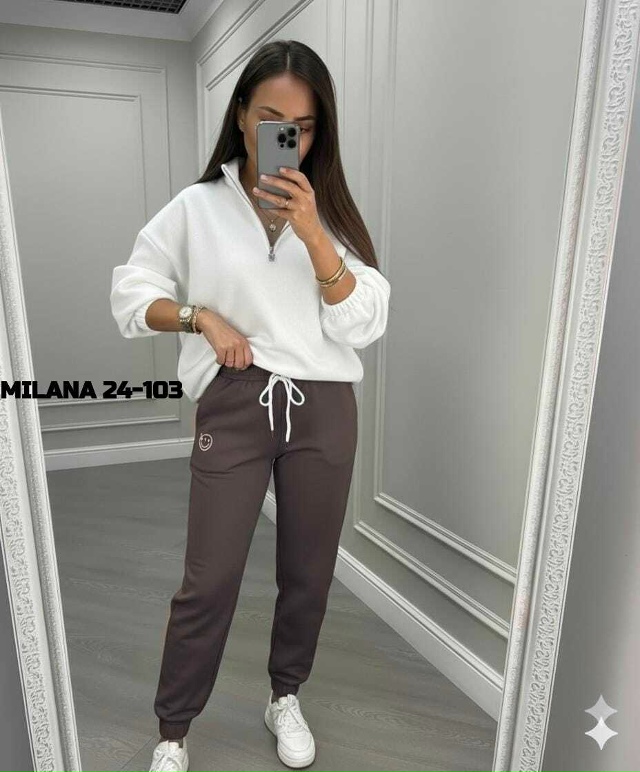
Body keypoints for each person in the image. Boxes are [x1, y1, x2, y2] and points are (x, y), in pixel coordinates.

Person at [110, 38, 390, 772]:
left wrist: (314, 235)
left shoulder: (329, 215)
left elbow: (364, 323)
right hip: (236, 400)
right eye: (270, 120)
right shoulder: (196, 208)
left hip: (323, 406)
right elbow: (131, 294)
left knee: (309, 571)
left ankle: (284, 696)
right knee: (209, 579)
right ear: (240, 117)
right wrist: (199, 316)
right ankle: (173, 732)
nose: (285, 138)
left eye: (303, 126)